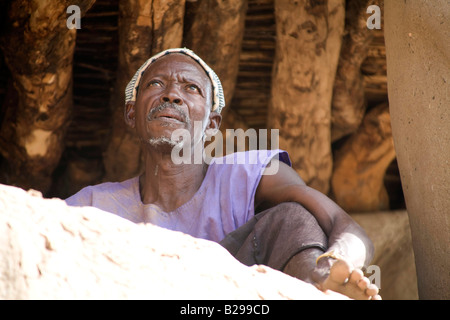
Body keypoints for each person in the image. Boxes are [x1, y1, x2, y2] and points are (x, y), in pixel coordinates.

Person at [66, 48, 380, 300]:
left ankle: (319, 285)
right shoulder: (94, 205)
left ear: (212, 125)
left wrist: (335, 260)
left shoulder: (249, 174)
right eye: (156, 84)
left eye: (190, 88)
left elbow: (349, 228)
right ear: (132, 114)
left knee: (293, 216)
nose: (172, 95)